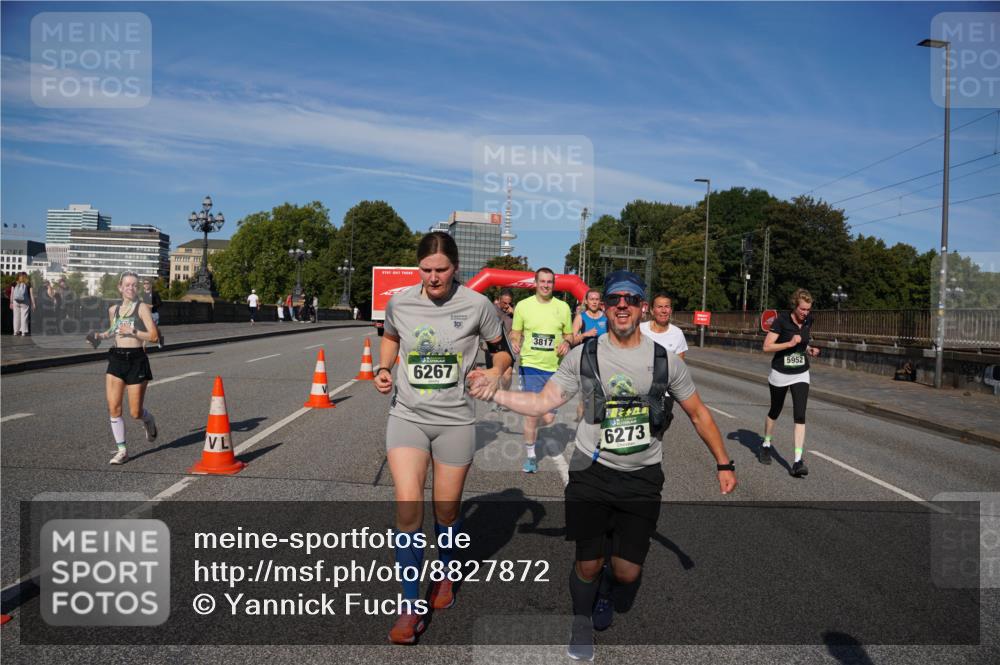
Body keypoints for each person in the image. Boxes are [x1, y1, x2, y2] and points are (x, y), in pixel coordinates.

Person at [468, 270, 736, 660]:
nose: (622, 305)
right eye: (614, 300)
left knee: (626, 571)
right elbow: (543, 402)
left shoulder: (666, 362)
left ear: (643, 308)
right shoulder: (584, 355)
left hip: (642, 477)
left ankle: (608, 590)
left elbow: (699, 414)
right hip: (591, 472)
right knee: (588, 562)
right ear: (606, 307)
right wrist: (497, 393)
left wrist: (723, 463)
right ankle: (581, 621)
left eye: (630, 299)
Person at [374, 231, 512, 645]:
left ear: (456, 269)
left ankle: (448, 572)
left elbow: (502, 350)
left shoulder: (477, 304)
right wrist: (384, 368)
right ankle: (411, 606)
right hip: (408, 416)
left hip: (455, 422)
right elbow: (391, 336)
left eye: (442, 270)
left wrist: (493, 371)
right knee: (407, 507)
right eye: (427, 270)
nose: (433, 278)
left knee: (447, 512)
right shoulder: (400, 302)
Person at [91, 272, 160, 465]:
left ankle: (148, 420)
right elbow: (113, 330)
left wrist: (134, 331)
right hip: (116, 359)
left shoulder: (142, 309)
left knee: (135, 412)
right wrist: (99, 336)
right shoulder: (114, 310)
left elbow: (154, 336)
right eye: (127, 285)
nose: (131, 288)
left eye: (134, 285)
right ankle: (122, 451)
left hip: (136, 360)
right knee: (114, 407)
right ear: (120, 287)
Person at [510, 267, 573, 473]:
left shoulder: (563, 307)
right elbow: (515, 332)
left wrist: (566, 342)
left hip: (555, 367)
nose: (546, 285)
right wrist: (515, 342)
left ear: (553, 285)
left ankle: (534, 422)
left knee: (548, 418)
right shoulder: (523, 306)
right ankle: (530, 457)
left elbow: (569, 335)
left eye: (549, 282)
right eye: (542, 281)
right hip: (531, 365)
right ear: (535, 283)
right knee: (532, 414)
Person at [760, 288, 820, 477]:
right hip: (780, 372)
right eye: (802, 309)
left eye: (808, 310)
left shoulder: (809, 321)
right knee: (775, 410)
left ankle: (797, 461)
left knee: (800, 415)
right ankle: (766, 444)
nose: (805, 313)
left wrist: (809, 349)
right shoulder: (781, 321)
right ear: (795, 306)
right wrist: (789, 344)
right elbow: (766, 347)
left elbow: (803, 341)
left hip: (801, 372)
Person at [485, 289, 515, 402]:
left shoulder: (514, 312)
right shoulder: (491, 309)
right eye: (505, 303)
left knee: (507, 375)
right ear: (499, 300)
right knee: (494, 375)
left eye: (509, 303)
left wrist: (514, 314)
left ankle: (504, 396)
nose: (507, 306)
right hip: (492, 347)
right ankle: (495, 397)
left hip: (507, 347)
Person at [639, 292, 688, 359]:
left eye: (667, 306)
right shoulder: (640, 330)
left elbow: (680, 365)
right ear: (652, 310)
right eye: (659, 307)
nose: (664, 311)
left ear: (671, 310)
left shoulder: (677, 333)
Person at [142, 278, 164, 348]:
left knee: (155, 329)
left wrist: (152, 306)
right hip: (145, 315)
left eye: (147, 283)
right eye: (144, 283)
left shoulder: (154, 293)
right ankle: (143, 349)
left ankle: (160, 338)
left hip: (153, 314)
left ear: (150, 285)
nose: (145, 285)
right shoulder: (142, 294)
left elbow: (160, 303)